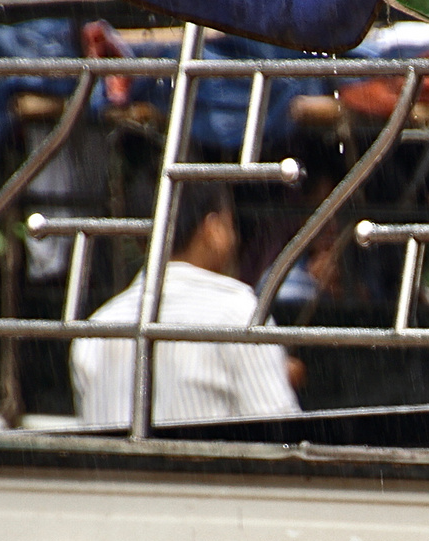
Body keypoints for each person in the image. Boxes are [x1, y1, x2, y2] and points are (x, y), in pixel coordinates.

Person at [71, 182, 301, 427]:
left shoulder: (95, 329)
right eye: (230, 224)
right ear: (214, 230)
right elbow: (281, 435)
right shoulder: (239, 314)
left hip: (120, 466)